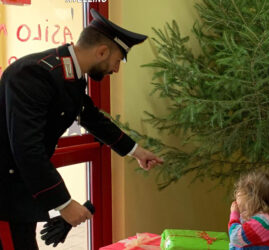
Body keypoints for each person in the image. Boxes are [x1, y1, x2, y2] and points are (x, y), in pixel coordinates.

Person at [0, 9, 163, 249]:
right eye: (118, 61)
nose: (116, 70)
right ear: (102, 51)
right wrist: (64, 203)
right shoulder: (32, 74)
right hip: (6, 197)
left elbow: (91, 117)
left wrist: (136, 151)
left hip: (20, 194)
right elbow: (26, 148)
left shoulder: (66, 73)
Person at [228, 172, 269, 250]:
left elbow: (235, 237)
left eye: (240, 192)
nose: (236, 196)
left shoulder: (262, 222)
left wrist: (234, 214)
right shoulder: (259, 218)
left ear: (252, 197)